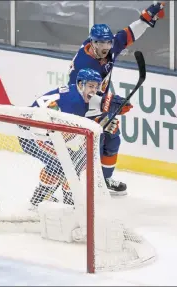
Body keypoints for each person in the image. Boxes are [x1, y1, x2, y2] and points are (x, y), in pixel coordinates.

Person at [67, 2, 166, 195]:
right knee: (92, 142)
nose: (106, 47)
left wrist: (146, 19)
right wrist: (110, 103)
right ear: (93, 42)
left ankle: (104, 180)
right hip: (83, 107)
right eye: (102, 44)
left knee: (113, 137)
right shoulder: (84, 65)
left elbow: (128, 34)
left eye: (108, 43)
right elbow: (82, 95)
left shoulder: (108, 47)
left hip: (99, 102)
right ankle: (75, 184)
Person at [19, 68, 122, 210]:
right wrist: (101, 125)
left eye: (96, 86)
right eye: (90, 86)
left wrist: (107, 119)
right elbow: (67, 134)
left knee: (72, 162)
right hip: (32, 135)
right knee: (67, 163)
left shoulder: (79, 95)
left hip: (47, 132)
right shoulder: (73, 102)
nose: (94, 90)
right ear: (80, 85)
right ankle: (53, 200)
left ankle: (51, 198)